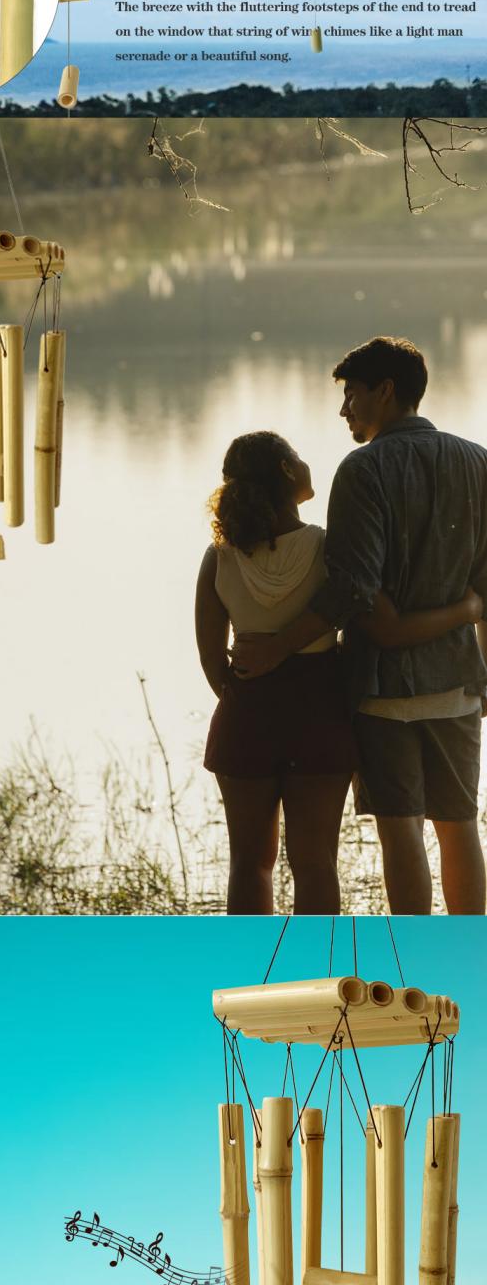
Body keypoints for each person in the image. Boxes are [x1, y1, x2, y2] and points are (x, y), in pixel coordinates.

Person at [231, 339, 487, 916]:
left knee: (402, 836)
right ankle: (472, 965)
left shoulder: (362, 469)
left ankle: (414, 972)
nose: (344, 409)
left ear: (385, 391)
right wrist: (483, 673)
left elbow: (353, 592)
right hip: (459, 686)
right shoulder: (479, 460)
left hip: (383, 692)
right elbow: (485, 589)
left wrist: (279, 648)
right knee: (460, 829)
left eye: (351, 395)